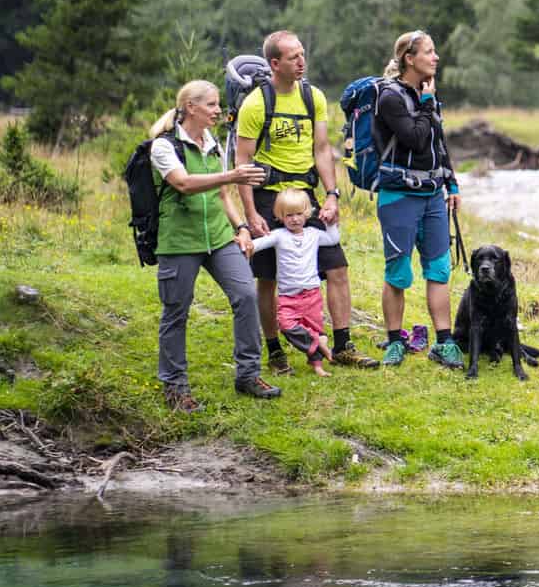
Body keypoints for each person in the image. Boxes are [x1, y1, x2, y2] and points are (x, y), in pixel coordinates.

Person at [235, 30, 372, 370]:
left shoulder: (314, 98)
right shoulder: (256, 103)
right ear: (274, 63)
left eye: (302, 54)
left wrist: (331, 195)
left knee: (337, 266)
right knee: (267, 278)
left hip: (306, 197)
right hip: (268, 196)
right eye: (293, 57)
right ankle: (275, 350)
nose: (301, 61)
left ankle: (342, 346)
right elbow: (242, 164)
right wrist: (251, 213)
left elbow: (322, 149)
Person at [147, 80, 279, 408]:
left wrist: (243, 227)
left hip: (219, 237)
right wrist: (232, 175)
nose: (218, 111)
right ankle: (176, 388)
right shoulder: (164, 146)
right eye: (211, 105)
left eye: (218, 104)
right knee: (176, 312)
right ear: (191, 107)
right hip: (180, 241)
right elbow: (184, 184)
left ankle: (248, 375)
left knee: (246, 295)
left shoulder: (212, 142)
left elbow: (222, 196)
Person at [374, 30, 464, 369]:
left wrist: (451, 184)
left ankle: (445, 342)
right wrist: (427, 104)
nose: (436, 57)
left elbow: (437, 143)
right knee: (398, 272)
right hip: (398, 196)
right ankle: (395, 341)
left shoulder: (429, 94)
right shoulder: (390, 97)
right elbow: (413, 138)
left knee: (439, 269)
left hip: (432, 197)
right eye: (429, 52)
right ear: (409, 59)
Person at [248, 188, 342, 376]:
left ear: (307, 213)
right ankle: (318, 344)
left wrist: (331, 223)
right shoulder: (279, 235)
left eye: (299, 214)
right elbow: (259, 244)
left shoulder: (313, 234)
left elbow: (332, 239)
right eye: (289, 215)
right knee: (286, 325)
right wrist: (246, 244)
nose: (295, 219)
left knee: (314, 327)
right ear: (280, 216)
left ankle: (317, 365)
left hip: (311, 294)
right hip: (288, 296)